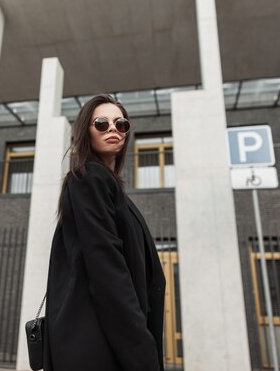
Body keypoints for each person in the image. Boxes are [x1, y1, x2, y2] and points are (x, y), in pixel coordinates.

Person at [43, 94, 166, 371]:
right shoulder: (89, 178)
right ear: (85, 131)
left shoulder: (106, 184)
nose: (113, 128)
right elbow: (107, 268)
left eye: (121, 124)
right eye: (101, 123)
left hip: (104, 337)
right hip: (98, 342)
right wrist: (141, 350)